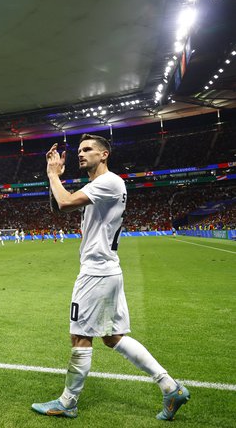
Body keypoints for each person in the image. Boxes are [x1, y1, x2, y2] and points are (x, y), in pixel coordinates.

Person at [32, 134, 189, 420]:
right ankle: (170, 387)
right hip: (108, 270)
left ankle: (68, 402)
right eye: (79, 150)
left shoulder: (109, 182)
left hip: (95, 272)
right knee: (113, 336)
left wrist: (53, 174)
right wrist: (52, 178)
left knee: (79, 336)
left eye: (88, 149)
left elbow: (65, 202)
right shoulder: (97, 185)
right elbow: (59, 205)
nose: (81, 153)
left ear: (104, 154)